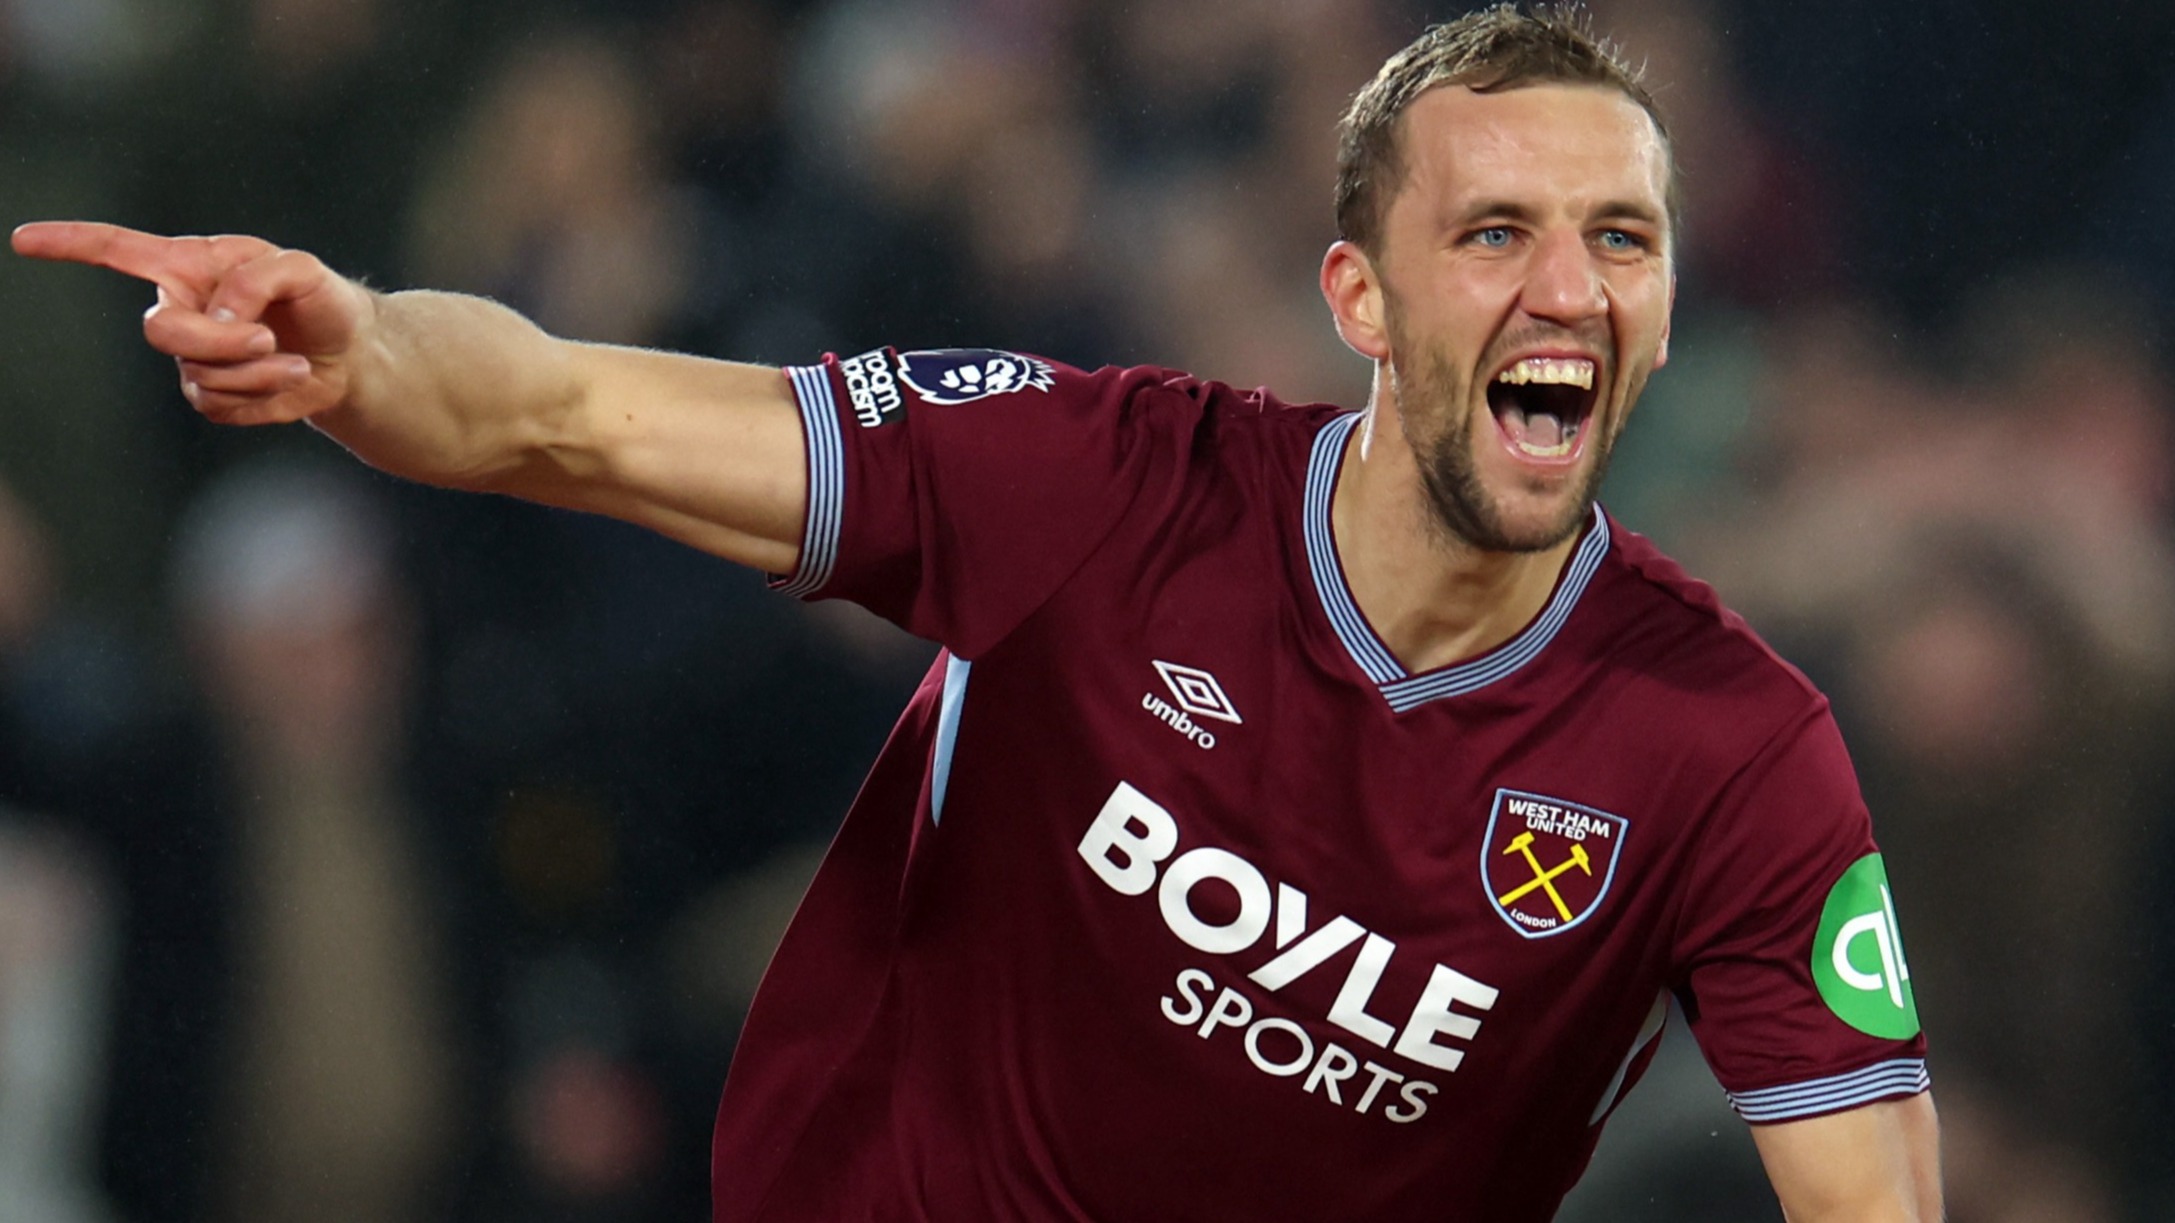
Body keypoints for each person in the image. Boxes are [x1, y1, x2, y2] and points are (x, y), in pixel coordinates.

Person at [13, 6, 1940, 1220]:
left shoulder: (1733, 755)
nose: (1569, 288)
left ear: (1674, 307)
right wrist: (356, 350)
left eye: (1623, 239)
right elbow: (559, 409)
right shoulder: (1103, 480)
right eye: (1494, 233)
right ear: (1359, 298)